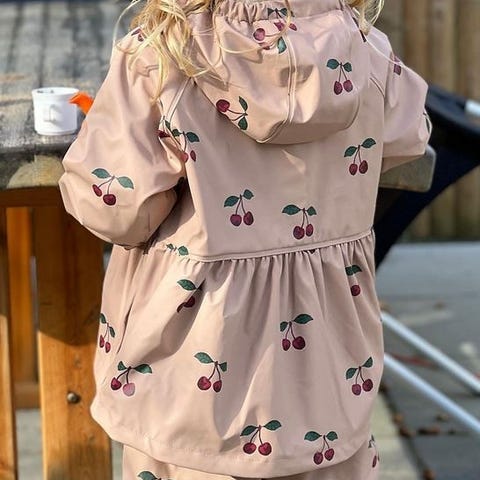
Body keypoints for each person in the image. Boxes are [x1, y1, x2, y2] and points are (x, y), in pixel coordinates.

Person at [59, 0, 431, 478]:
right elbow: (408, 138)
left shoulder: (160, 54)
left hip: (192, 369)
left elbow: (116, 208)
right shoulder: (364, 48)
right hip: (328, 374)